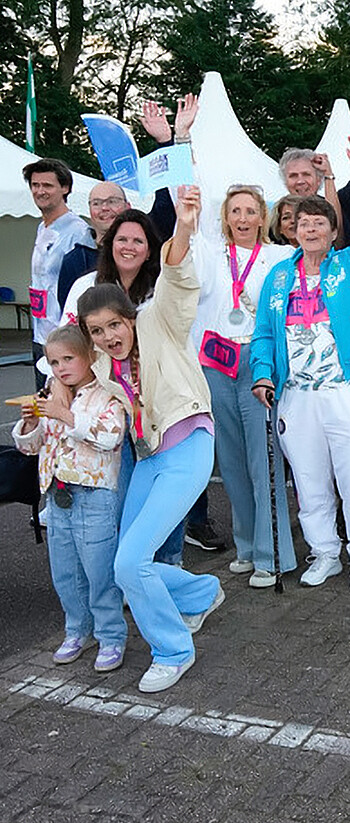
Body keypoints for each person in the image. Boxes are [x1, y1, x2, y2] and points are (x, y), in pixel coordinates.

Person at [78, 187, 223, 693]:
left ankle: (173, 651)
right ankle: (201, 593)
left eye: (114, 325)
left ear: (129, 316)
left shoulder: (159, 320)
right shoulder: (101, 362)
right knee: (126, 560)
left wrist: (184, 225)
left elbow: (177, 277)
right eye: (97, 331)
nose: (109, 336)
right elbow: (62, 358)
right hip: (148, 458)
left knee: (130, 562)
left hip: (188, 446)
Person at [250, 133, 350, 591]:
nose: (310, 230)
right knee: (309, 483)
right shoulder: (277, 276)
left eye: (319, 224)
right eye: (303, 224)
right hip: (296, 395)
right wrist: (263, 374)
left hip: (347, 391)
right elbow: (263, 334)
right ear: (293, 230)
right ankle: (325, 552)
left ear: (331, 231)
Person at [190, 185, 296, 588]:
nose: (243, 218)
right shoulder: (211, 253)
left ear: (262, 217)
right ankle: (247, 545)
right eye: (235, 211)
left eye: (251, 211)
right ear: (225, 217)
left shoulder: (280, 257)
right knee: (231, 460)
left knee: (263, 459)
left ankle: (272, 555)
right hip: (216, 359)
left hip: (257, 360)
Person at [13, 325, 128, 673]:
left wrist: (62, 413)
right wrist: (30, 425)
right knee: (65, 572)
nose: (61, 368)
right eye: (54, 362)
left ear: (89, 356)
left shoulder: (107, 393)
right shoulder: (51, 395)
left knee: (99, 572)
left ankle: (111, 636)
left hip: (94, 497)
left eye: (68, 359)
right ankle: (77, 630)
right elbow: (31, 448)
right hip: (57, 495)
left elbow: (110, 437)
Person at [278, 80, 350, 247]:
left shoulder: (343, 203)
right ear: (285, 181)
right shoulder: (277, 217)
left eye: (306, 174)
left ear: (319, 178)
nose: (300, 181)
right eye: (293, 176)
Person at [24, 157, 94, 386]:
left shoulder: (79, 232)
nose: (40, 191)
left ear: (65, 188)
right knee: (43, 401)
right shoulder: (41, 227)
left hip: (66, 339)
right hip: (41, 335)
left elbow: (85, 286)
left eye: (47, 185)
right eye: (35, 185)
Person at [56, 181, 130, 311]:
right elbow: (69, 312)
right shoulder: (75, 260)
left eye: (112, 201)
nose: (104, 208)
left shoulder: (141, 253)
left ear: (127, 206)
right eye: (96, 203)